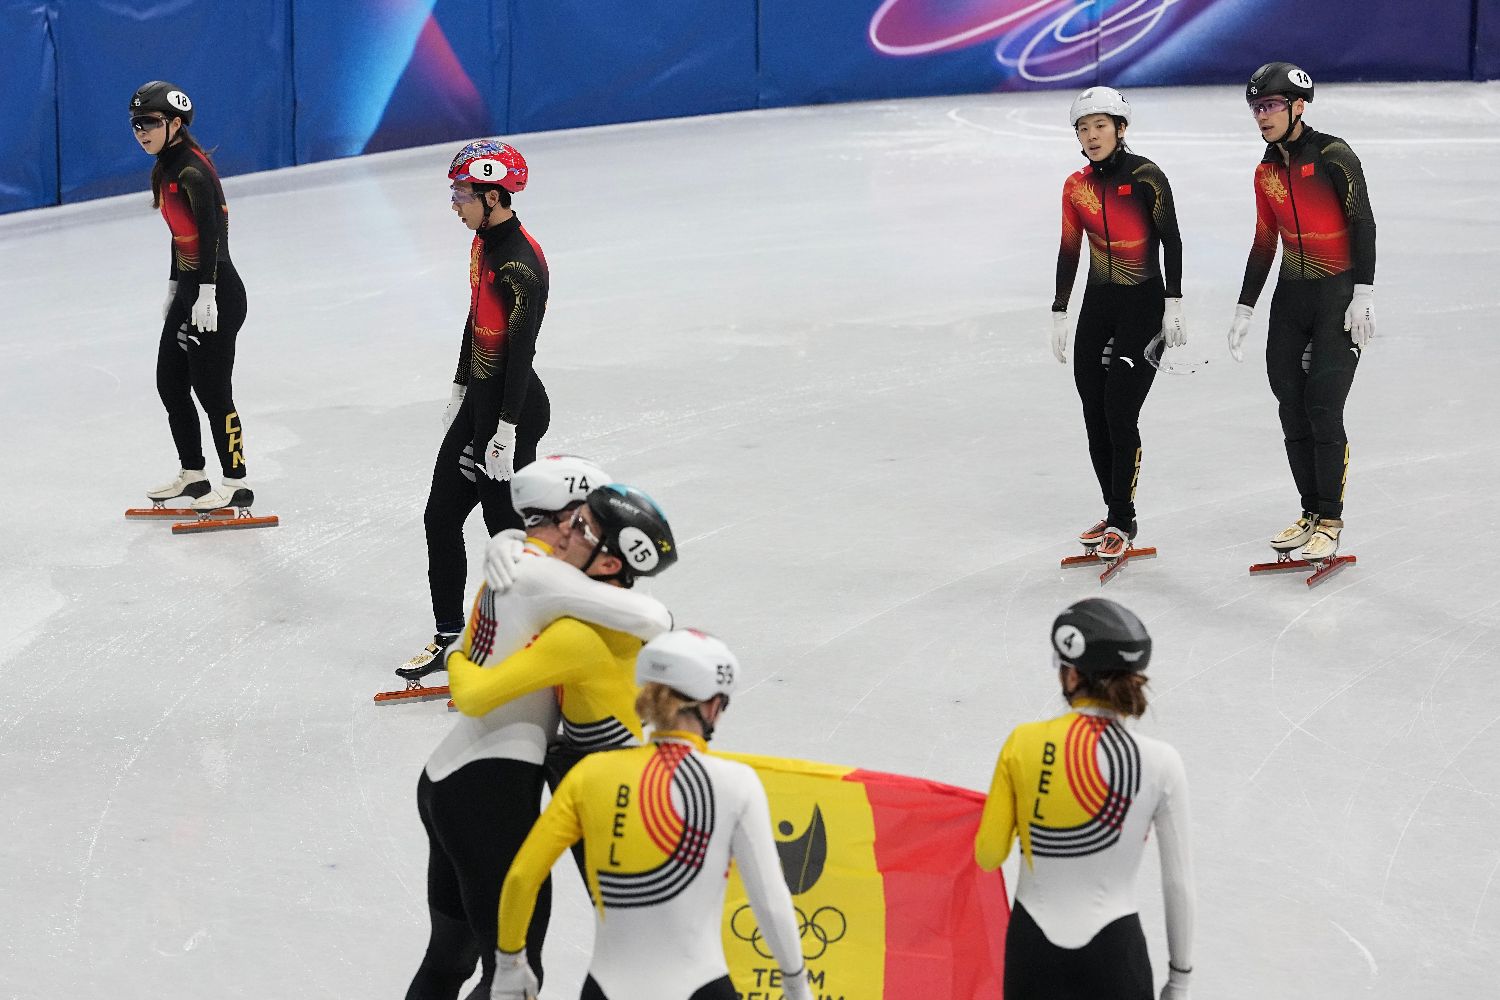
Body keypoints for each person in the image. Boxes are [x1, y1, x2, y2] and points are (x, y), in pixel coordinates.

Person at [406, 460, 673, 1000]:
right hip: (491, 791)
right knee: (515, 977)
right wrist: (455, 656)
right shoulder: (546, 579)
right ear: (564, 516)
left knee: (449, 960)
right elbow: (655, 618)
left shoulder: (516, 566)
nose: (587, 529)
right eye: (584, 519)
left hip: (450, 779)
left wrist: (504, 538)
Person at [488, 629, 813, 1000]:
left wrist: (509, 965)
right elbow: (770, 900)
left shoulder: (590, 775)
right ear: (711, 706)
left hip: (606, 988)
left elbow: (521, 877)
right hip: (700, 988)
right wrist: (796, 986)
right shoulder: (736, 784)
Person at [975, 598, 1194, 1000]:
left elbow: (988, 855)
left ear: (1073, 674)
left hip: (1032, 952)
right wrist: (1179, 980)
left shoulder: (1022, 742)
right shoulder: (1162, 762)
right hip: (1115, 955)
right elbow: (1178, 882)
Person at [404, 138, 552, 676]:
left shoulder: (520, 264)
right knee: (440, 518)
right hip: (482, 404)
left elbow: (521, 352)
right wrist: (459, 388)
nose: (454, 204)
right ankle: (450, 638)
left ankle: (533, 644)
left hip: (512, 409)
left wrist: (505, 428)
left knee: (506, 535)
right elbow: (476, 321)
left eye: (462, 194)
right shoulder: (482, 243)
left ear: (493, 196)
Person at [1228, 62, 1376, 561]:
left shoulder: (1334, 155)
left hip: (1337, 296)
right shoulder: (1266, 170)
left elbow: (1363, 223)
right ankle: (1310, 512)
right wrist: (1245, 307)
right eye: (1256, 108)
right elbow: (1264, 240)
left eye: (1270, 106)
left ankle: (1330, 520)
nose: (1262, 116)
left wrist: (1364, 293)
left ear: (1297, 106)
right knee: (1290, 407)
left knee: (1323, 408)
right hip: (1290, 300)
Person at [447, 484, 680, 792]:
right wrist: (509, 540)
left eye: (580, 526)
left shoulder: (575, 633)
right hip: (629, 776)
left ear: (609, 564)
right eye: (574, 517)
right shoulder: (617, 611)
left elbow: (471, 696)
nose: (564, 529)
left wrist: (455, 649)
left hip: (609, 789)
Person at [1051, 87, 1185, 560]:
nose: (1091, 136)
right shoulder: (1076, 186)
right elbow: (1069, 248)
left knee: (1120, 412)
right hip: (1098, 304)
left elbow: (1171, 240)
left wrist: (1173, 302)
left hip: (1143, 306)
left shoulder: (1146, 176)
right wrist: (1059, 309)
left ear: (1120, 129)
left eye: (1100, 126)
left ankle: (1123, 520)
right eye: (1083, 129)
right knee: (1093, 410)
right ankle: (1112, 511)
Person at [130, 81, 256, 513]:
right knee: (170, 382)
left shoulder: (192, 170)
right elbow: (179, 234)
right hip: (190, 292)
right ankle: (194, 475)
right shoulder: (166, 167)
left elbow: (212, 234)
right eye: (136, 125)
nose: (142, 132)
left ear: (175, 123)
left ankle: (236, 482)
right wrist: (174, 287)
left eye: (150, 123)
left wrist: (206, 292)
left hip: (216, 295)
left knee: (212, 391)